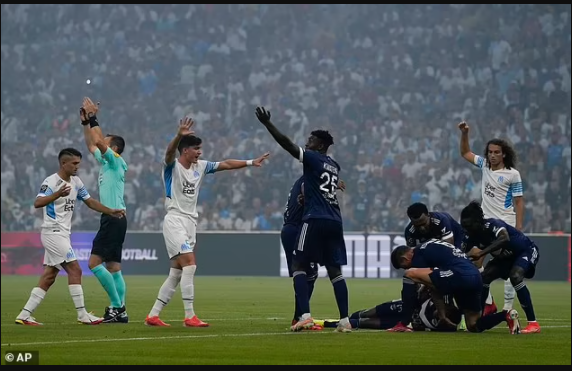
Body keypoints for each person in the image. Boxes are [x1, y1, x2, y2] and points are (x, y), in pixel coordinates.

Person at [145, 117, 270, 327]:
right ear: (185, 150)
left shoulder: (200, 166)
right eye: (196, 149)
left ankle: (153, 315)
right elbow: (168, 153)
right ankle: (189, 316)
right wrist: (178, 135)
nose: (200, 153)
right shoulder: (171, 167)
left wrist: (250, 162)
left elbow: (226, 163)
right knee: (190, 265)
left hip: (190, 222)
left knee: (176, 272)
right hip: (175, 219)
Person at [255, 106, 351, 333]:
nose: (307, 143)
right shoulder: (334, 166)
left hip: (315, 219)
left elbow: (288, 145)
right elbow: (320, 184)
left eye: (311, 140)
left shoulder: (313, 159)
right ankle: (345, 320)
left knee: (299, 264)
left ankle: (304, 316)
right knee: (335, 271)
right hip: (335, 220)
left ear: (320, 145)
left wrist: (268, 124)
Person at [15, 148, 126, 326]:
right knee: (76, 270)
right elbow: (37, 203)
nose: (77, 167)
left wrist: (110, 211)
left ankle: (25, 314)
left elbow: (90, 201)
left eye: (78, 163)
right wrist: (57, 194)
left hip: (63, 234)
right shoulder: (51, 181)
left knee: (49, 275)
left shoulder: (76, 181)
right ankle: (82, 314)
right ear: (63, 163)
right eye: (74, 163)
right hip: (52, 232)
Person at [390, 239, 521, 334]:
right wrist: (442, 316)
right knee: (473, 325)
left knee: (409, 274)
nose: (408, 266)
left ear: (404, 259)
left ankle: (404, 323)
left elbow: (434, 286)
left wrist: (442, 315)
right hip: (475, 277)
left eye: (404, 265)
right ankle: (506, 315)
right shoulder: (429, 245)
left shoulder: (418, 256)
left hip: (460, 275)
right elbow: (435, 285)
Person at [458, 121, 523, 313]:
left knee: (510, 266)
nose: (492, 155)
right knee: (476, 260)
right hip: (485, 224)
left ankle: (508, 308)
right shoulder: (485, 165)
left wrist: (518, 226)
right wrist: (464, 134)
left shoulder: (513, 175)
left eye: (496, 152)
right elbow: (465, 153)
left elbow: (519, 201)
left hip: (505, 223)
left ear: (504, 154)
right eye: (490, 152)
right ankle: (487, 303)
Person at [80, 97, 129, 323]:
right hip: (115, 217)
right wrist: (85, 124)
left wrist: (93, 117)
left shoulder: (116, 160)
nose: (102, 143)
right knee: (114, 267)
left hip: (113, 216)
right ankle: (121, 311)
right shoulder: (107, 163)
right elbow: (92, 145)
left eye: (106, 141)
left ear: (114, 147)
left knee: (94, 264)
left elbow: (98, 142)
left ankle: (117, 307)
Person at [461, 201, 541, 334]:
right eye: (464, 225)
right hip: (506, 258)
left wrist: (481, 253)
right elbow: (460, 253)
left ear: (477, 221)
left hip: (526, 250)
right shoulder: (470, 235)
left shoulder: (492, 224)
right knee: (484, 277)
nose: (466, 229)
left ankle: (533, 324)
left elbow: (504, 238)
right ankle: (480, 317)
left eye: (468, 225)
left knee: (515, 276)